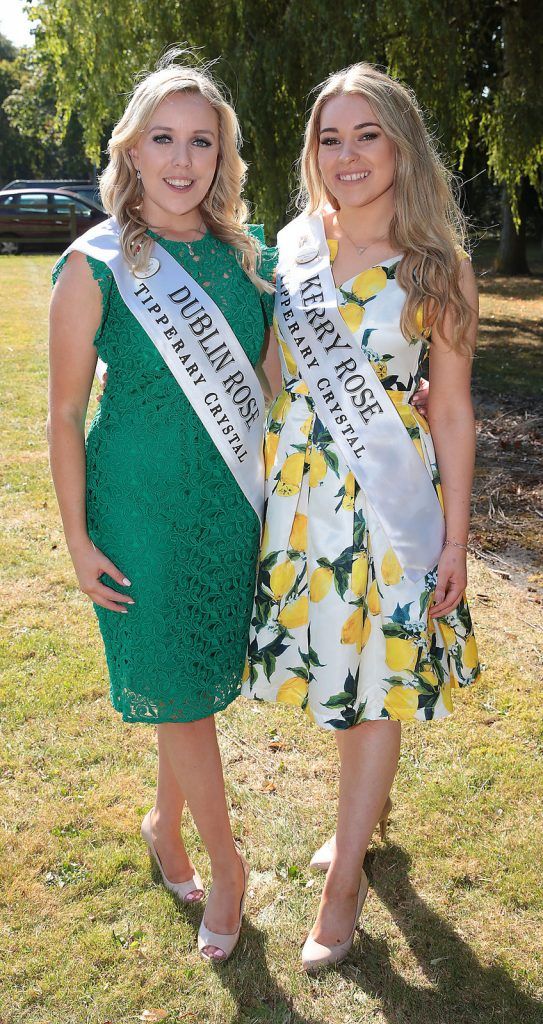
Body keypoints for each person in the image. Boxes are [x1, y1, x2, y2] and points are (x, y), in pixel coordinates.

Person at [242, 63, 481, 971]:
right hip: (302, 498)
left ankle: (342, 887)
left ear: (400, 145)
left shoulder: (437, 264)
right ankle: (365, 817)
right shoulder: (291, 250)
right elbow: (269, 377)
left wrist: (455, 538)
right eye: (329, 138)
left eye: (366, 135)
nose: (346, 155)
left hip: (388, 503)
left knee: (375, 678)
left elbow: (452, 409)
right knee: (338, 671)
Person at [47, 54, 278, 963]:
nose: (183, 161)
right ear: (131, 152)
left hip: (226, 505)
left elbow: (270, 383)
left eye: (202, 142)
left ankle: (162, 823)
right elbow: (64, 412)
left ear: (222, 156)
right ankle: (228, 868)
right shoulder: (92, 265)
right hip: (135, 507)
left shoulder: (241, 256)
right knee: (180, 692)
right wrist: (75, 536)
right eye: (163, 140)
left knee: (189, 683)